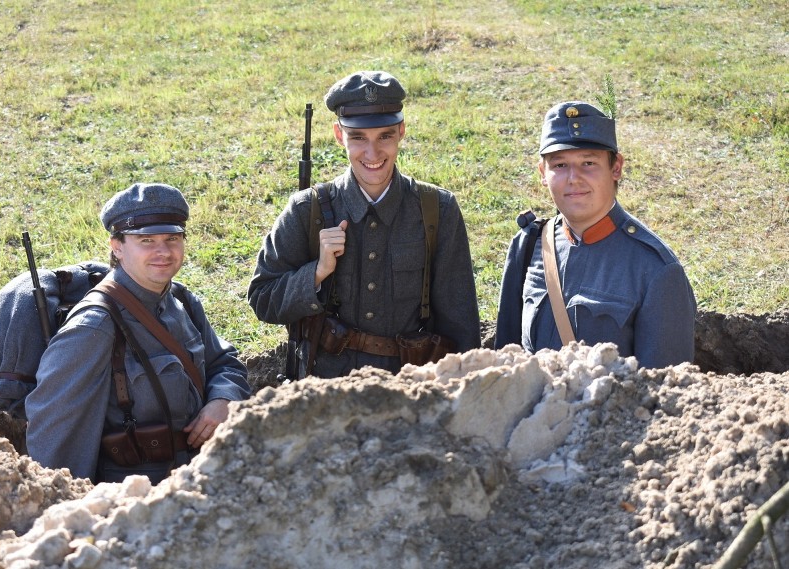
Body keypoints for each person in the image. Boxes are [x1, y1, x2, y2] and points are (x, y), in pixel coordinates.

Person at [249, 70, 480, 379]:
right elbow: (262, 298)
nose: (372, 153)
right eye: (358, 137)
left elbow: (460, 324)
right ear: (338, 135)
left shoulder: (437, 211)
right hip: (324, 389)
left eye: (384, 135)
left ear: (401, 131)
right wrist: (315, 274)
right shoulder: (308, 210)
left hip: (409, 389)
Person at [26, 183, 250, 483]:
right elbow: (55, 434)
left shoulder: (181, 300)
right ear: (117, 247)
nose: (163, 251)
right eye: (146, 240)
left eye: (172, 238)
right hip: (131, 497)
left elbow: (224, 361)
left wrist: (222, 400)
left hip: (201, 476)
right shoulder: (94, 326)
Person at [494, 101, 696, 369]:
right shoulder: (530, 245)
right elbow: (506, 360)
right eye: (560, 165)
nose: (573, 178)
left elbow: (666, 390)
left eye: (588, 163)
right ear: (543, 173)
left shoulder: (655, 269)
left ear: (616, 168)